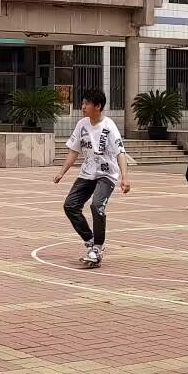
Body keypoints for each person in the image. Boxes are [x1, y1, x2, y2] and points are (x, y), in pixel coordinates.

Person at [55, 89, 131, 268]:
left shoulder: (109, 126)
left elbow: (120, 153)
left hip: (106, 174)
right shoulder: (82, 124)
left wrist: (125, 178)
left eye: (86, 104)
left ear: (98, 106)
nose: (83, 107)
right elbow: (74, 150)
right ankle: (90, 241)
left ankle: (97, 247)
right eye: (82, 103)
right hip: (87, 173)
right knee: (70, 205)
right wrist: (62, 172)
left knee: (97, 206)